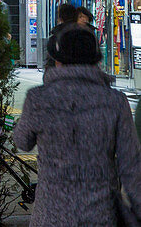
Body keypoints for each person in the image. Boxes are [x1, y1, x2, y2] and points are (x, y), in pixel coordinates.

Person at [14, 24, 141, 226]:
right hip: (99, 214)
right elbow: (131, 165)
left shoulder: (38, 99)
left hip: (50, 214)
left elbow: (22, 142)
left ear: (58, 61)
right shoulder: (115, 101)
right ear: (95, 61)